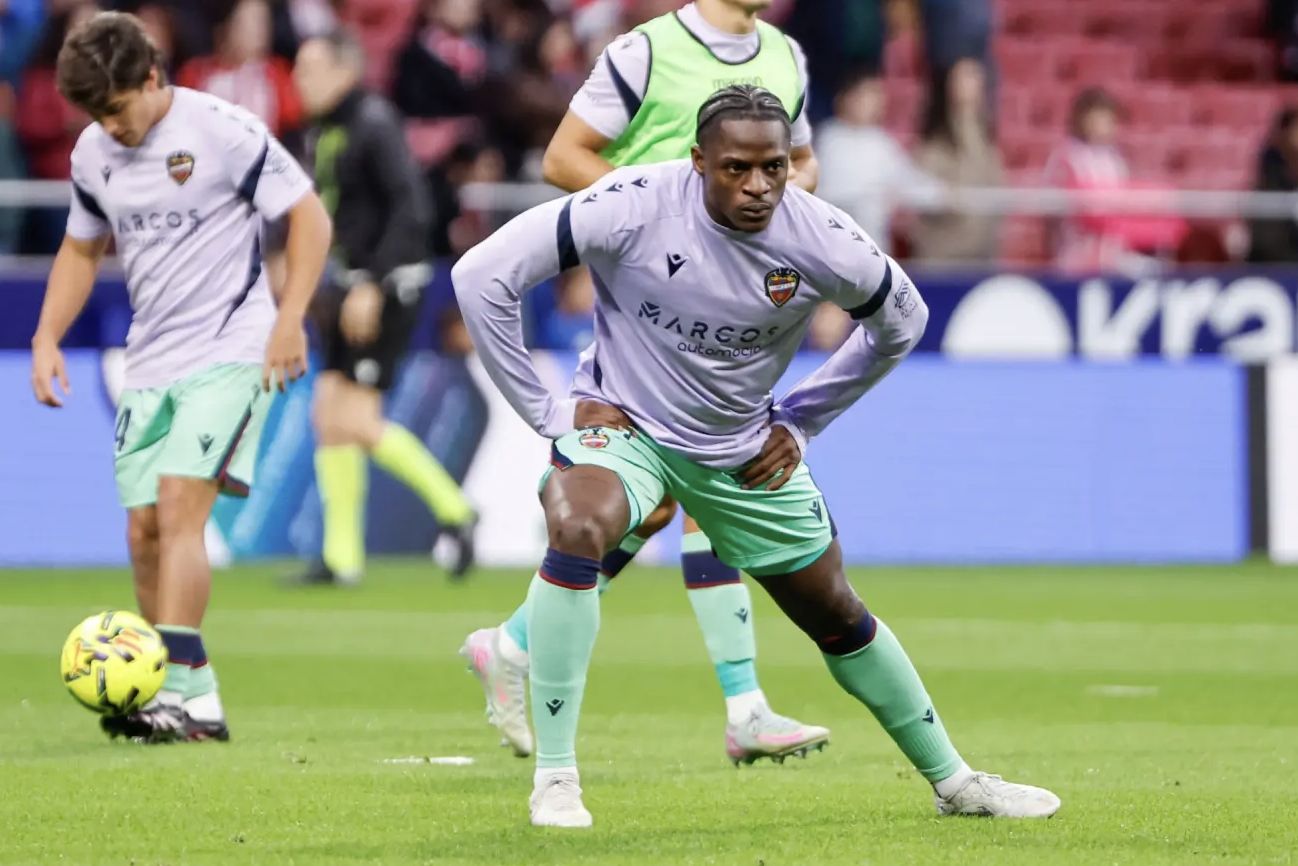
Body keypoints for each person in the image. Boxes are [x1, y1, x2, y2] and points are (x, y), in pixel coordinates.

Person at [452, 85, 1061, 828]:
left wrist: (803, 420)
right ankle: (555, 779)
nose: (758, 186)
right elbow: (481, 276)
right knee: (580, 525)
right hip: (627, 426)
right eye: (736, 168)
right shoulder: (631, 203)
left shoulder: (821, 237)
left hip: (741, 448)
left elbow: (903, 322)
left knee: (834, 610)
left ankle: (955, 782)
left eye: (773, 167)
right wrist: (547, 414)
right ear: (698, 161)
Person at [461, 0, 829, 769]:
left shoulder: (787, 56)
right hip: (649, 305)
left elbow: (804, 165)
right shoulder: (646, 52)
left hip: (736, 298)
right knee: (706, 478)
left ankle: (515, 644)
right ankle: (743, 706)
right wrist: (656, 228)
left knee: (675, 498)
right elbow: (565, 158)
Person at [29, 11, 331, 741]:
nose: (111, 126)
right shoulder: (93, 153)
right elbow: (81, 249)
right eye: (96, 115)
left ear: (152, 77)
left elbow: (309, 218)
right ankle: (191, 698)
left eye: (117, 108)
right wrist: (46, 336)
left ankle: (168, 694)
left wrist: (290, 317)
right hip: (150, 359)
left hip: (231, 348)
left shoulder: (222, 130)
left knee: (177, 508)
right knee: (143, 533)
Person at [289, 29, 478, 586]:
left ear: (344, 70)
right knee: (328, 415)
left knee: (356, 420)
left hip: (387, 286)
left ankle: (457, 510)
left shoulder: (374, 123)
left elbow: (410, 208)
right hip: (350, 283)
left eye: (310, 68)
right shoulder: (325, 129)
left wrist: (372, 283)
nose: (299, 79)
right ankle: (341, 557)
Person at [911, 57, 1003, 263]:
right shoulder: (934, 142)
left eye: (976, 76)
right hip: (942, 255)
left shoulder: (986, 138)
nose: (972, 83)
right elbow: (925, 192)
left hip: (981, 252)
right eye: (964, 77)